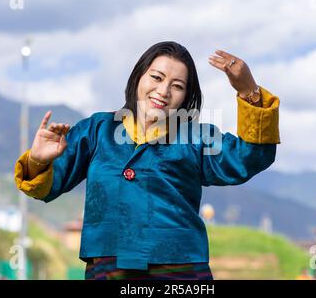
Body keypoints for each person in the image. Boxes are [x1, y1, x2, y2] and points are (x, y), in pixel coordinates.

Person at [15, 41, 280, 280]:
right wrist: (38, 161)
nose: (163, 91)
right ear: (138, 77)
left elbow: (251, 157)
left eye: (177, 86)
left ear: (186, 98)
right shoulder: (96, 130)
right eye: (156, 77)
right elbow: (46, 188)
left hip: (180, 273)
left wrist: (249, 90)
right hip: (107, 270)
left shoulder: (196, 138)